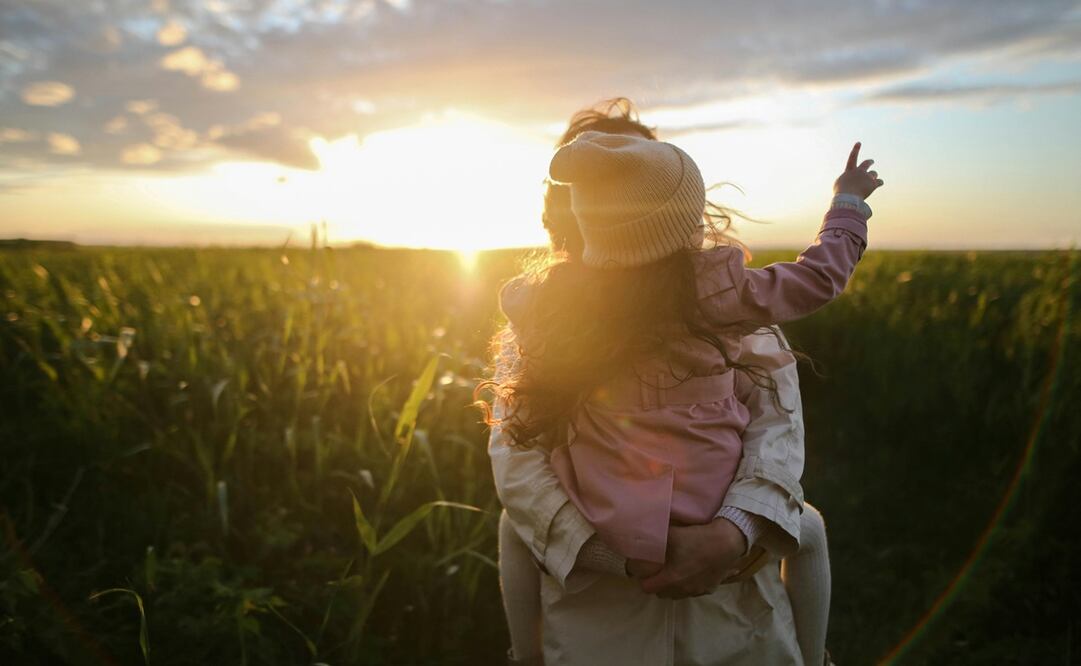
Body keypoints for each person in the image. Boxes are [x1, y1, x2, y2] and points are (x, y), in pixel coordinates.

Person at [485, 100, 882, 665]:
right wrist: (847, 208)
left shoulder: (550, 309)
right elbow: (517, 457)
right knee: (809, 526)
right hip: (601, 604)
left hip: (725, 599)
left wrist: (731, 534)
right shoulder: (724, 296)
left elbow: (776, 424)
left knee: (512, 530)